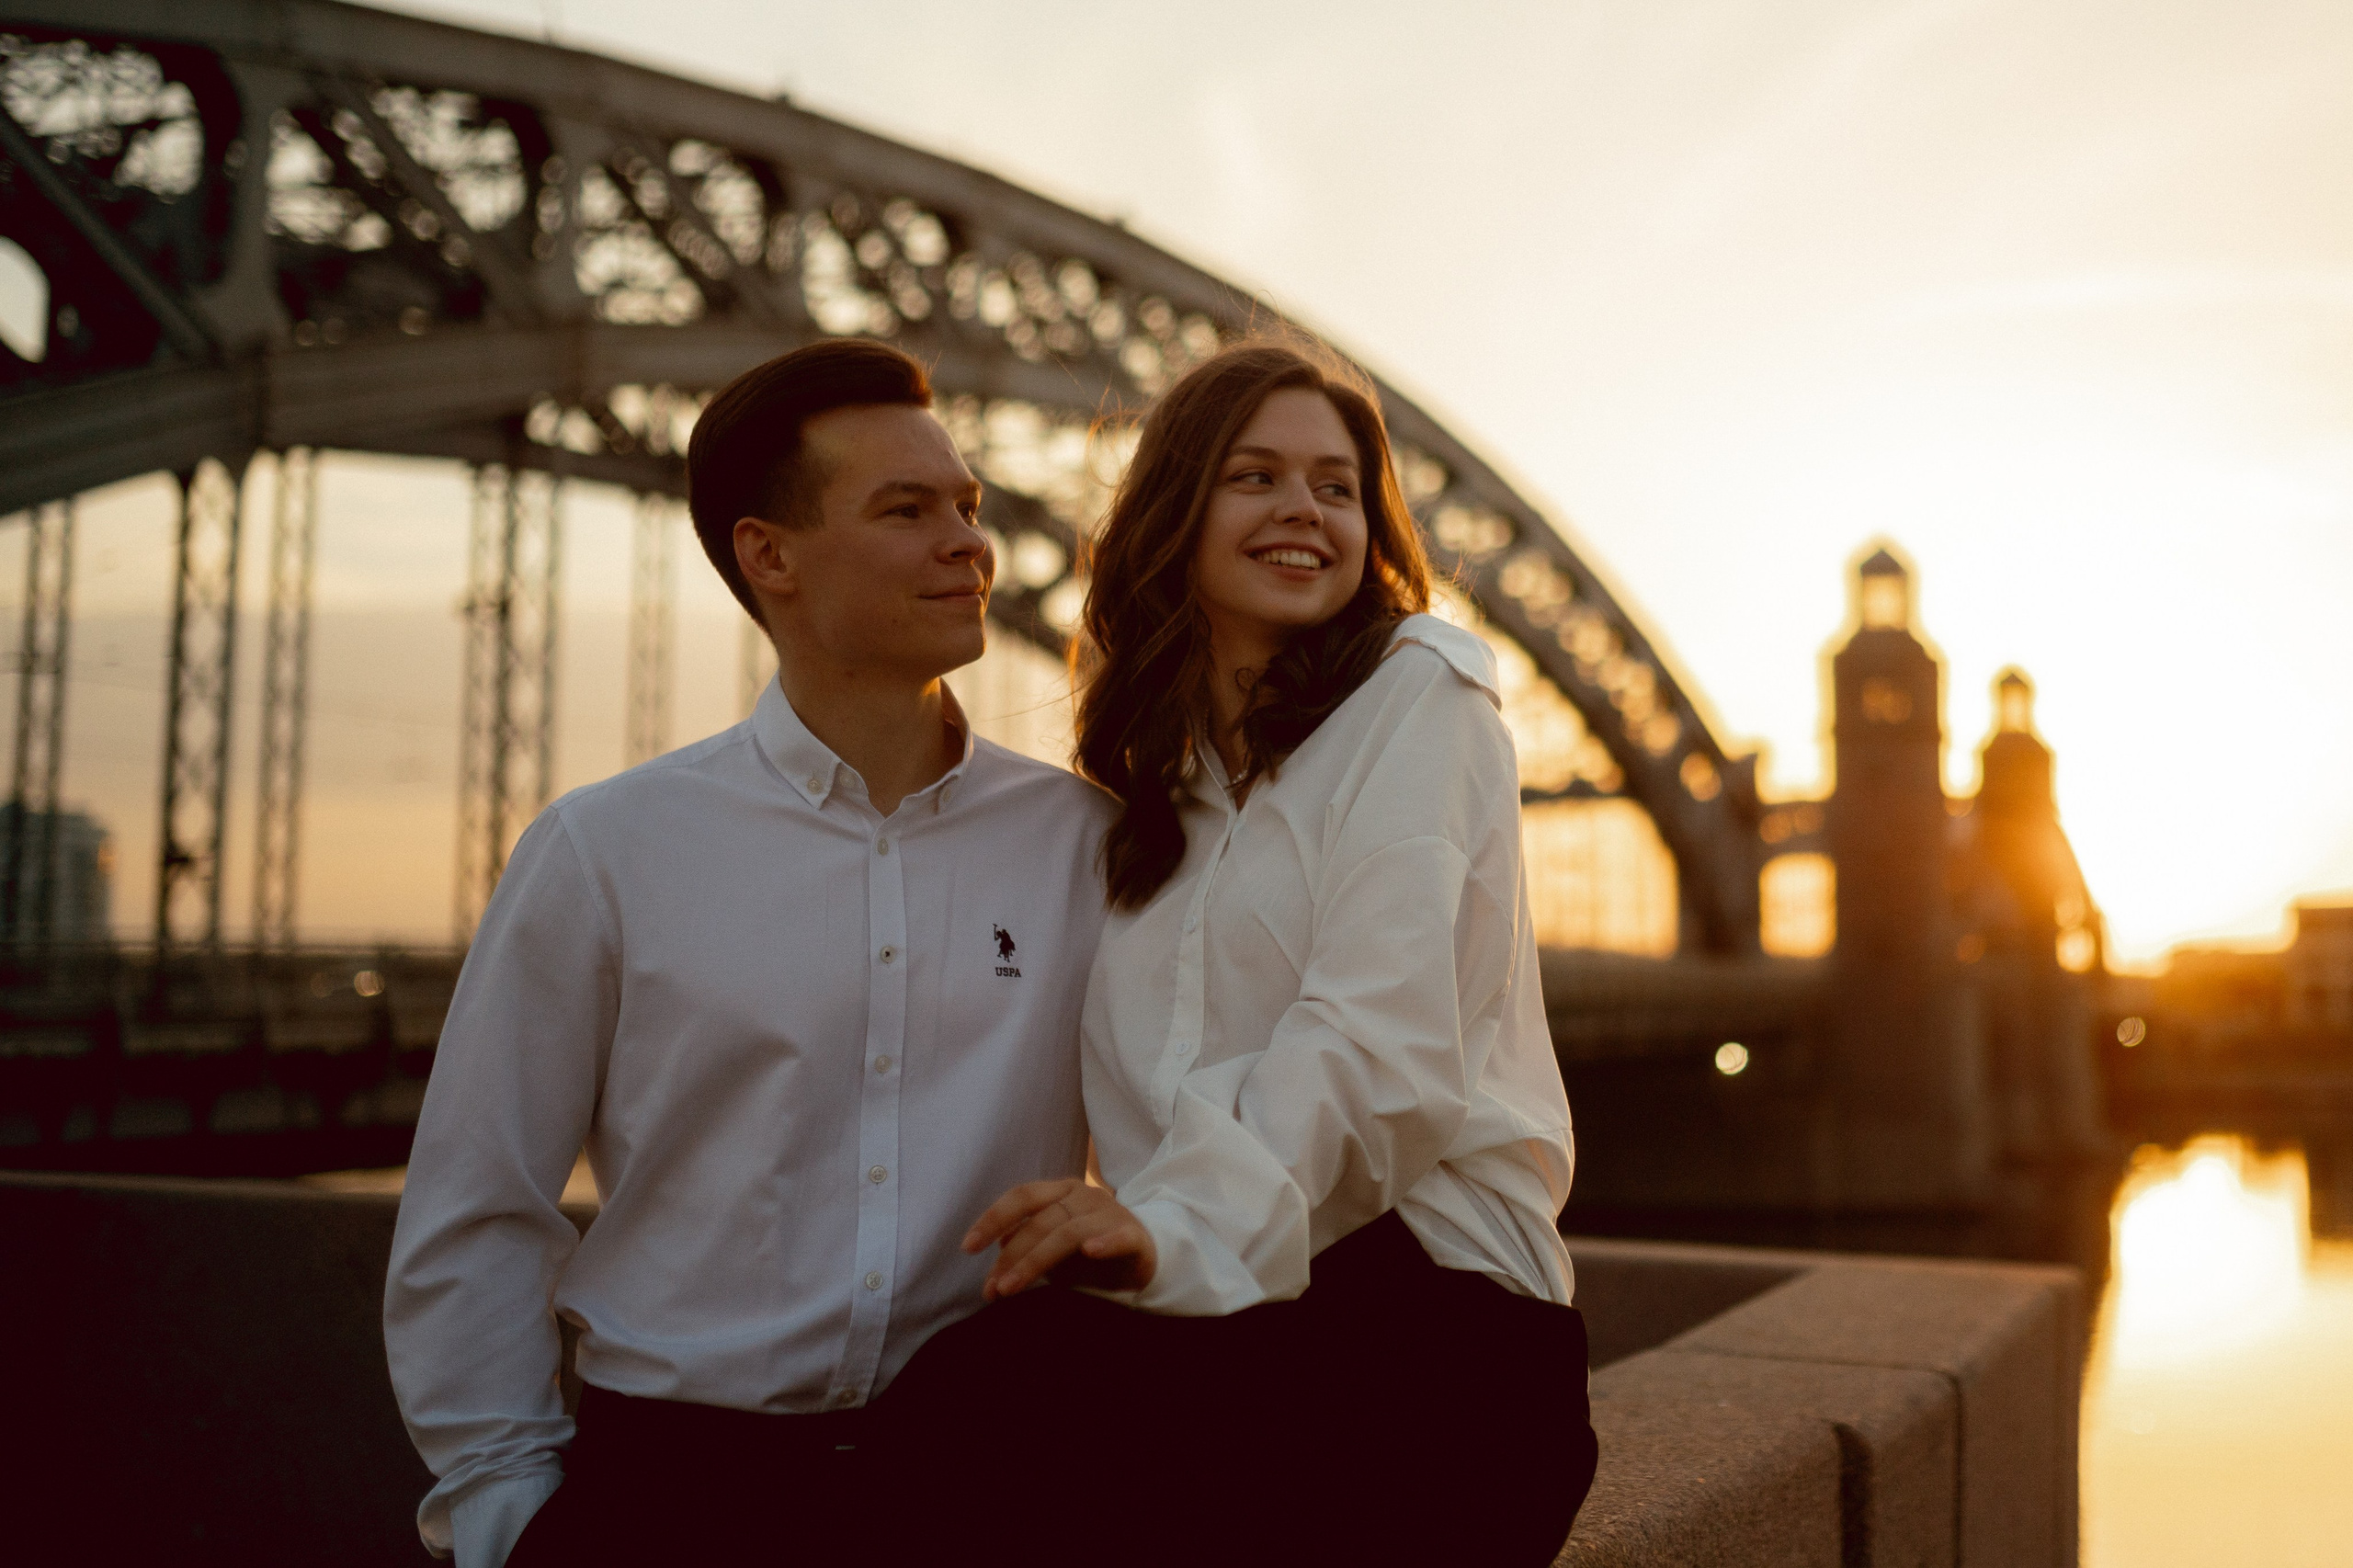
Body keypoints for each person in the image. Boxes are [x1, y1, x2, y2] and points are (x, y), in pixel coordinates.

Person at [382, 338, 1113, 1568]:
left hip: (988, 1485)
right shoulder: (604, 849)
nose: (971, 545)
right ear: (769, 556)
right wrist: (508, 1512)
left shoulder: (1086, 847)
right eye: (906, 510)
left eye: (969, 508)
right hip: (675, 1490)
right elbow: (480, 1202)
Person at [938, 338, 1598, 1566]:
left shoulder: (1422, 694)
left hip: (1438, 1320)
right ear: (1176, 512)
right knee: (952, 1398)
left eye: (1337, 486)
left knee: (1011, 1413)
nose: (1304, 507)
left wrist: (1165, 1231)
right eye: (1256, 476)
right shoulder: (1143, 802)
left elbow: (1380, 1049)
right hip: (1227, 1311)